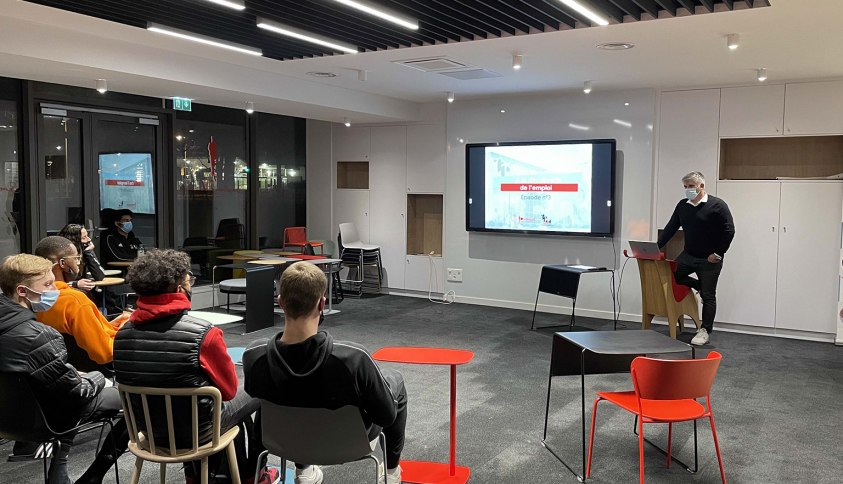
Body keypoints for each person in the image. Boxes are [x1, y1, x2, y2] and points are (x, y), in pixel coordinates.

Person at [112, 249, 277, 484]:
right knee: (260, 385)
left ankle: (195, 474)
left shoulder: (122, 335)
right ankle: (256, 473)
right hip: (200, 433)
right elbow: (229, 391)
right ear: (179, 289)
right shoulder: (204, 334)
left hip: (150, 432)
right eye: (189, 281)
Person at [243, 262, 407, 484]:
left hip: (284, 441)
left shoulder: (254, 355)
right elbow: (386, 416)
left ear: (280, 302)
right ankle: (391, 472)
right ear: (322, 303)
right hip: (351, 444)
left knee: (275, 396)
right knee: (395, 379)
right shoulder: (354, 358)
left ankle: (303, 471)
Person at [0, 253, 128, 484]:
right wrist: (96, 377)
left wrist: (69, 375)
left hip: (8, 419)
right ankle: (94, 475)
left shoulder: (18, 330)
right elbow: (77, 393)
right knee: (132, 401)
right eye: (48, 284)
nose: (55, 291)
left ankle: (60, 468)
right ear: (22, 291)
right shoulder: (38, 335)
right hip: (44, 419)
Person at [657, 171, 735, 346]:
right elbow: (670, 228)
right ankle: (699, 285)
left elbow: (729, 230)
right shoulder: (682, 205)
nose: (688, 189)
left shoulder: (717, 205)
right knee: (673, 274)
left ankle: (704, 330)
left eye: (691, 186)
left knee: (708, 296)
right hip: (689, 255)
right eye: (685, 187)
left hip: (710, 259)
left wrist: (718, 253)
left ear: (702, 186)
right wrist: (656, 247)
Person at [33, 236, 128, 369]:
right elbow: (104, 354)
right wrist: (126, 330)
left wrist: (108, 325)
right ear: (62, 263)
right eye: (76, 258)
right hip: (91, 373)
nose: (78, 263)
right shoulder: (75, 301)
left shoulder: (31, 298)